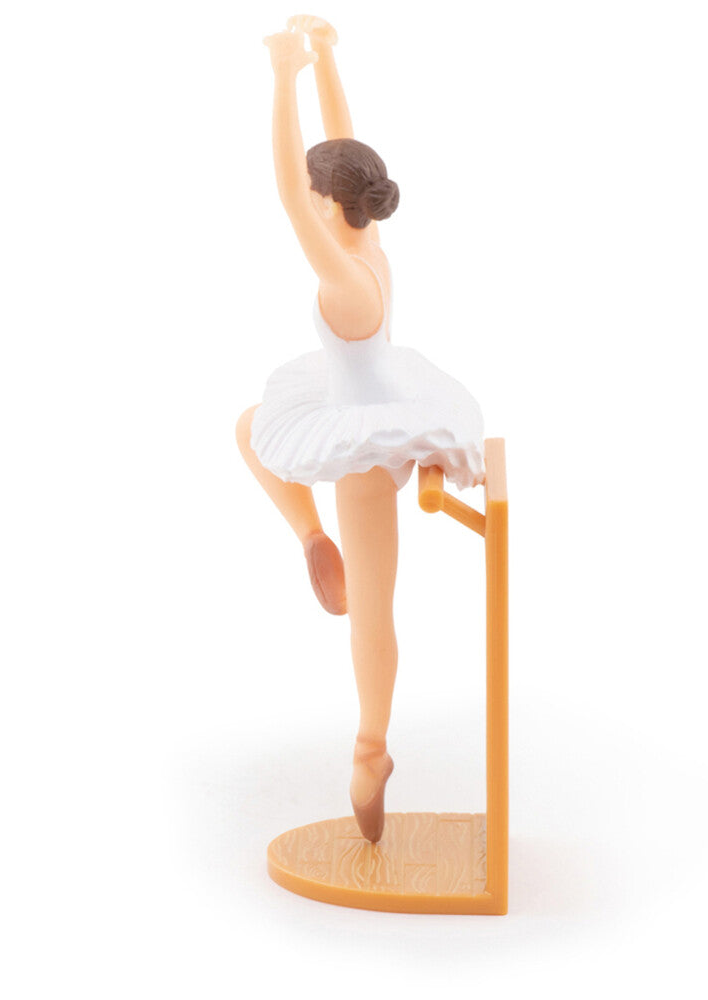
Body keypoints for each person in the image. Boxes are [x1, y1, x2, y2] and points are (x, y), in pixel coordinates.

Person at [236, 17, 484, 843]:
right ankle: (314, 541)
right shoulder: (367, 234)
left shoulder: (342, 276)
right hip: (376, 399)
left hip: (362, 445)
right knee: (249, 427)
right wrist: (327, 58)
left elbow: (287, 186)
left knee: (375, 608)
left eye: (315, 192)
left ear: (326, 203)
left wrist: (282, 75)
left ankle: (371, 749)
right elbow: (342, 147)